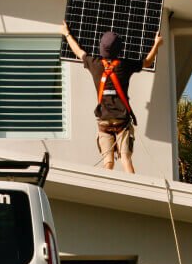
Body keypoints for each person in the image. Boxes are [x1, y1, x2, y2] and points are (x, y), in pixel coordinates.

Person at [61, 22, 163, 173]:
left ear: (101, 47)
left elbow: (79, 51)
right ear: (119, 49)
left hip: (104, 122)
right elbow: (147, 62)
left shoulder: (94, 64)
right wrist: (157, 45)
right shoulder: (125, 65)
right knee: (125, 159)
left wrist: (66, 33)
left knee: (108, 162)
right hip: (122, 122)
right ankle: (132, 191)